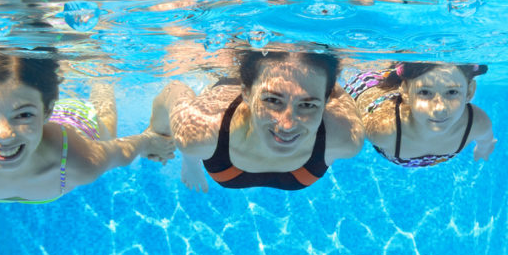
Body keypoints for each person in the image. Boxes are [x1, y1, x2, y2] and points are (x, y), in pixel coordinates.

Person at [0, 46, 174, 203]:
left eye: (23, 116)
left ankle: (101, 72)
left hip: (76, 122)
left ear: (48, 110)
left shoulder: (79, 160)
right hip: (32, 114)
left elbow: (121, 152)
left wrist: (148, 140)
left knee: (107, 127)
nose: (4, 135)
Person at [149, 50, 364, 192]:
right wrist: (158, 133)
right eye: (273, 100)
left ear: (326, 100)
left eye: (307, 105)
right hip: (228, 84)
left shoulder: (345, 139)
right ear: (246, 94)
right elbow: (174, 90)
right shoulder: (201, 131)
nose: (287, 125)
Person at [344, 62, 496, 168]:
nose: (439, 108)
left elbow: (487, 142)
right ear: (405, 92)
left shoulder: (476, 123)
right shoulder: (384, 130)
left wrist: (483, 150)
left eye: (451, 92)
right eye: (425, 93)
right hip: (370, 88)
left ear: (469, 92)